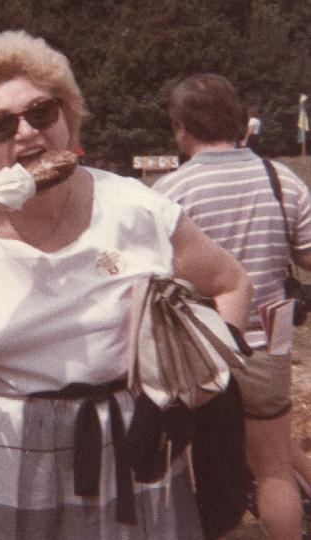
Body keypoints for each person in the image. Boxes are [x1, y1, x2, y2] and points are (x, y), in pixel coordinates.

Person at [0, 31, 252, 539]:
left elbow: (232, 282)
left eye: (41, 113)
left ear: (66, 116)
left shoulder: (135, 209)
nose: (25, 132)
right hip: (3, 450)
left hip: (130, 442)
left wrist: (203, 379)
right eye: (0, 126)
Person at [153, 72, 311, 540]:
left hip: (201, 355)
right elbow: (307, 253)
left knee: (210, 476)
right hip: (267, 345)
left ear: (180, 128)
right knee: (275, 472)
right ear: (241, 120)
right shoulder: (282, 180)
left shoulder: (169, 193)